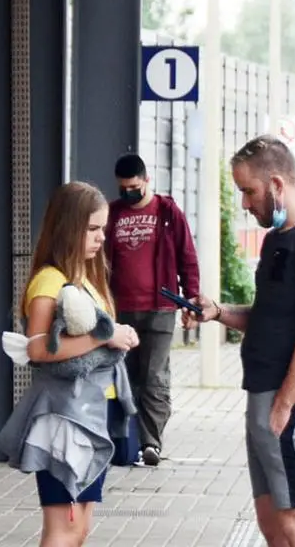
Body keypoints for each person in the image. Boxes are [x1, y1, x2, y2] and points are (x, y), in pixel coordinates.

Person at [182, 135, 295, 547]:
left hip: (292, 400)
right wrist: (217, 312)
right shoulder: (275, 243)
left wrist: (284, 405)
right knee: (271, 522)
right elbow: (269, 319)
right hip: (263, 395)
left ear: (276, 183)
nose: (245, 203)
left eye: (248, 192)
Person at [0, 181, 139, 547]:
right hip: (66, 415)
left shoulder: (83, 278)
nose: (100, 238)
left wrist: (116, 334)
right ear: (68, 227)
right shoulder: (50, 280)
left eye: (102, 229)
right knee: (64, 529)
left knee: (78, 528)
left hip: (91, 410)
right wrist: (106, 337)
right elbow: (38, 348)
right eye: (92, 229)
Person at [105, 153, 199, 466]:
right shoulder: (113, 214)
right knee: (126, 376)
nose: (129, 192)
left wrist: (192, 298)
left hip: (161, 306)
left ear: (147, 181)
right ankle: (126, 440)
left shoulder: (167, 211)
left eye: (134, 186)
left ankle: (151, 442)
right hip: (122, 308)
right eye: (123, 188)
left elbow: (187, 255)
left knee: (154, 375)